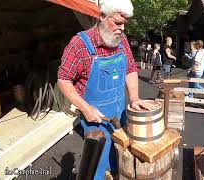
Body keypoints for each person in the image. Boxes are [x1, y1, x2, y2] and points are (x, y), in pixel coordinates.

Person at [57, 0, 155, 179]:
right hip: (96, 120)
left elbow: (131, 68)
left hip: (120, 114)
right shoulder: (79, 45)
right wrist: (85, 108)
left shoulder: (122, 40)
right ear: (102, 16)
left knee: (120, 159)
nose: (122, 29)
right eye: (118, 23)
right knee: (96, 166)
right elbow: (64, 80)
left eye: (125, 23)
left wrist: (134, 98)